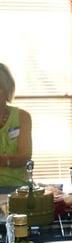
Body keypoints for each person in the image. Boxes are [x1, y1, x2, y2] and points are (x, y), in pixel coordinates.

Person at [0, 63, 32, 193]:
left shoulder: (22, 117)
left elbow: (25, 157)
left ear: (7, 90)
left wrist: (2, 160)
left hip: (17, 188)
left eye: (0, 88)